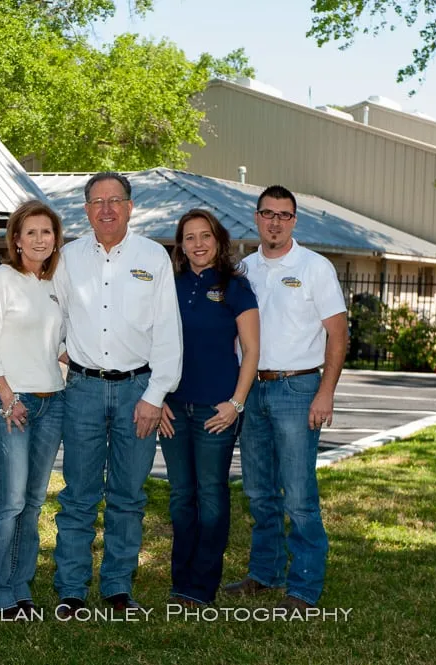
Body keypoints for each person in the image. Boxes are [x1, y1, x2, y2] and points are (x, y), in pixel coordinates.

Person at [51, 172, 182, 617]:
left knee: (127, 496)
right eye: (97, 201)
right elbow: (52, 316)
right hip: (83, 390)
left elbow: (168, 332)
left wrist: (156, 394)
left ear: (130, 206)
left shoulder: (154, 258)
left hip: (138, 393)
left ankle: (117, 589)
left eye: (115, 200)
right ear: (86, 209)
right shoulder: (67, 258)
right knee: (79, 496)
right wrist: (61, 352)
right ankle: (71, 589)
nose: (106, 209)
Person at [224, 185, 348, 611]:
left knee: (298, 493)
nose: (275, 221)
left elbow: (338, 334)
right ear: (256, 218)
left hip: (297, 388)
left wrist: (325, 392)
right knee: (259, 491)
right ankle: (265, 572)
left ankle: (304, 586)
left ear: (294, 221)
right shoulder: (243, 269)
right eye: (268, 213)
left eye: (284, 214)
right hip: (251, 389)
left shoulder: (315, 268)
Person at [158, 208, 259, 607]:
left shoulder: (235, 286)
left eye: (205, 236)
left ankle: (202, 587)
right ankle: (180, 582)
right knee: (181, 495)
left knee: (212, 496)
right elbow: (155, 344)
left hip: (216, 411)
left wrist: (236, 403)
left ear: (218, 240)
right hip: (173, 407)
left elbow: (251, 351)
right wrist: (158, 396)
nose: (197, 244)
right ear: (181, 245)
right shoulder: (170, 285)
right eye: (189, 237)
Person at [0, 200, 66, 620]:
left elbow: (61, 345)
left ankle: (20, 586)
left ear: (55, 238)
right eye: (31, 232)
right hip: (10, 403)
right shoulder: (1, 279)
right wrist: (7, 396)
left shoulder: (53, 285)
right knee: (10, 501)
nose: (39, 239)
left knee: (32, 503)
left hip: (53, 401)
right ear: (16, 239)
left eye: (46, 232)